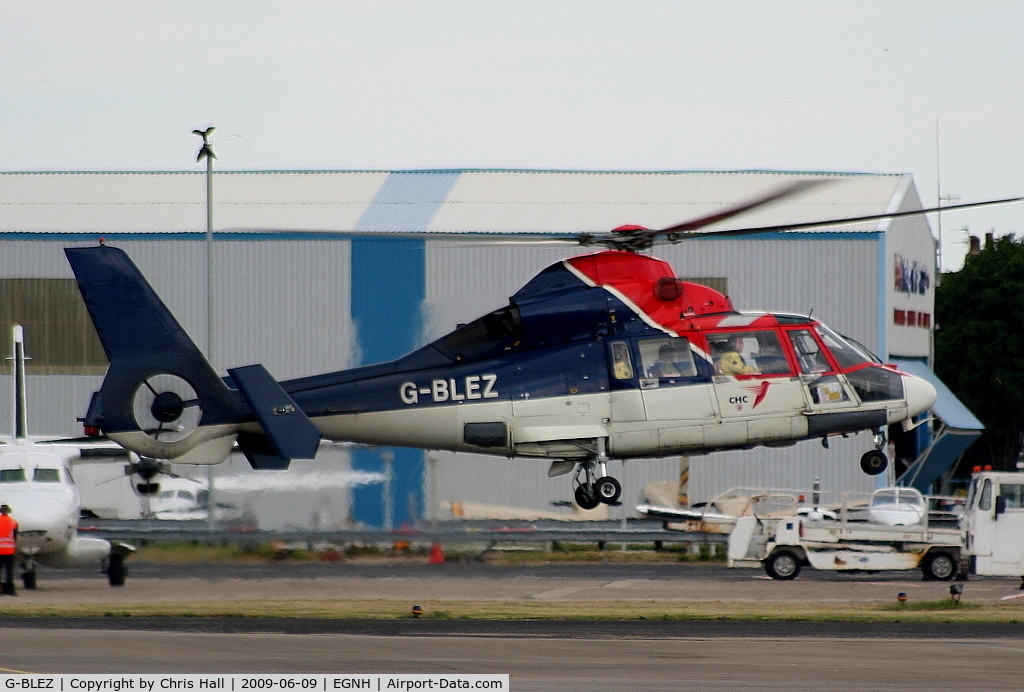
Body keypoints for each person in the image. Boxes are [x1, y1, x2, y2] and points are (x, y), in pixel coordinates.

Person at [0, 504, 17, 595]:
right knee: (9, 571)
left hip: (0, 550)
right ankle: (11, 590)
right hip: (9, 550)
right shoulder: (13, 522)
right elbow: (15, 537)